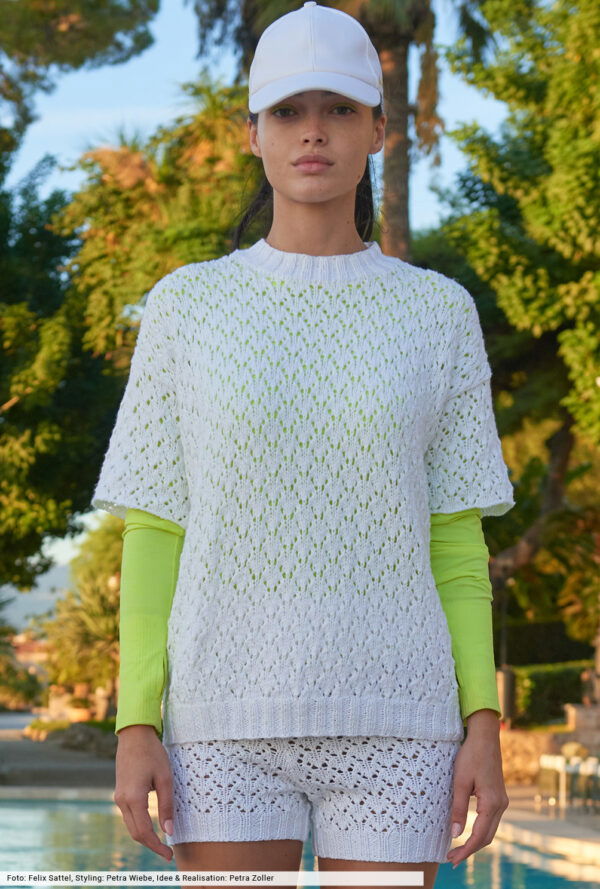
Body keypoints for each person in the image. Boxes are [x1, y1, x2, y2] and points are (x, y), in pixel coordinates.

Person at [92, 3, 514, 887]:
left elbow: (455, 541)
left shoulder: (438, 312)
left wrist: (483, 722)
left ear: (378, 131)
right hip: (219, 723)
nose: (313, 131)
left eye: (338, 109)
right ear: (253, 133)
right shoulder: (186, 307)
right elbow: (155, 530)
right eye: (288, 111)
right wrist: (136, 723)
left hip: (401, 722)